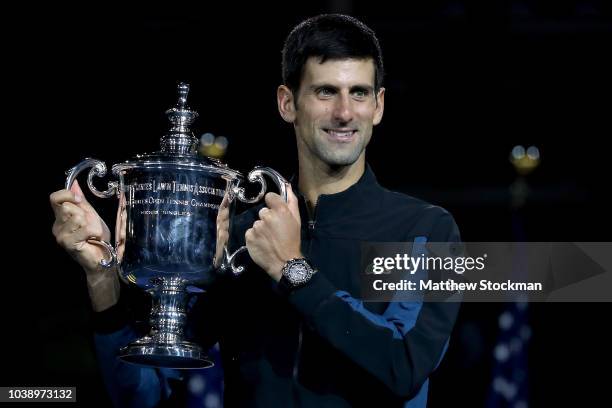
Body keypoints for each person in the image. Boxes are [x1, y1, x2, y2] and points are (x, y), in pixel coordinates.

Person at [50, 14, 461, 407]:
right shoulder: (241, 237)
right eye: (325, 92)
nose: (344, 112)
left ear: (379, 106)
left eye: (359, 92)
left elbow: (404, 365)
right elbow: (143, 393)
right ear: (287, 103)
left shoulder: (428, 229)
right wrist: (101, 278)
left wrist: (292, 270)